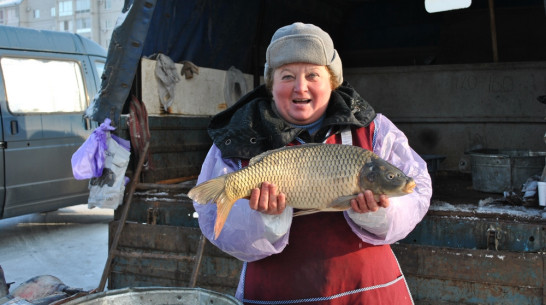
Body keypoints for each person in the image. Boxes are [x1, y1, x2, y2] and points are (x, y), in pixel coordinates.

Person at [193, 22, 432, 305]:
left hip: (368, 294)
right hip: (277, 295)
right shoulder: (237, 138)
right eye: (286, 76)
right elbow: (217, 227)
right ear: (271, 85)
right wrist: (264, 219)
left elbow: (416, 194)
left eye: (313, 75)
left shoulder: (373, 130)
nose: (300, 87)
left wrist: (379, 213)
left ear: (332, 80)